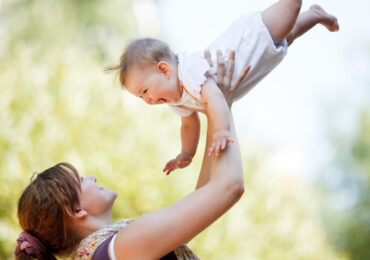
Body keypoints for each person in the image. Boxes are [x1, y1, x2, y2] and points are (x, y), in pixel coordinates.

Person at [14, 54, 246, 260]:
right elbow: (228, 186)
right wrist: (220, 102)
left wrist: (216, 111)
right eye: (82, 180)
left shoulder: (103, 252)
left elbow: (204, 198)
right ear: (76, 211)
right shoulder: (121, 248)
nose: (93, 178)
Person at [108, 1, 339, 175]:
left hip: (250, 39)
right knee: (289, 34)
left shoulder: (188, 72)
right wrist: (186, 153)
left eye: (145, 91)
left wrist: (221, 130)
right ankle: (316, 14)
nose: (146, 100)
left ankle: (306, 10)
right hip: (258, 58)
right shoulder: (175, 99)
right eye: (140, 97)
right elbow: (189, 123)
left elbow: (215, 97)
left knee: (290, 8)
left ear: (165, 69)